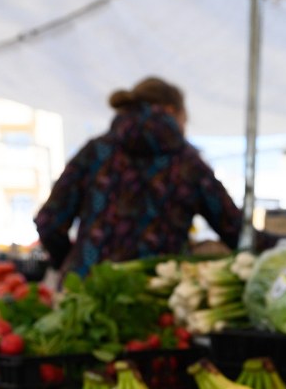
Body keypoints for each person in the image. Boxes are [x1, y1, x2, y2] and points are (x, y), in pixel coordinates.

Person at [35, 77, 242, 277]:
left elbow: (49, 222)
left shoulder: (95, 152)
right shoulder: (188, 163)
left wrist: (72, 264)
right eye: (184, 122)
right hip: (156, 292)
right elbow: (237, 231)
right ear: (171, 111)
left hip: (87, 288)